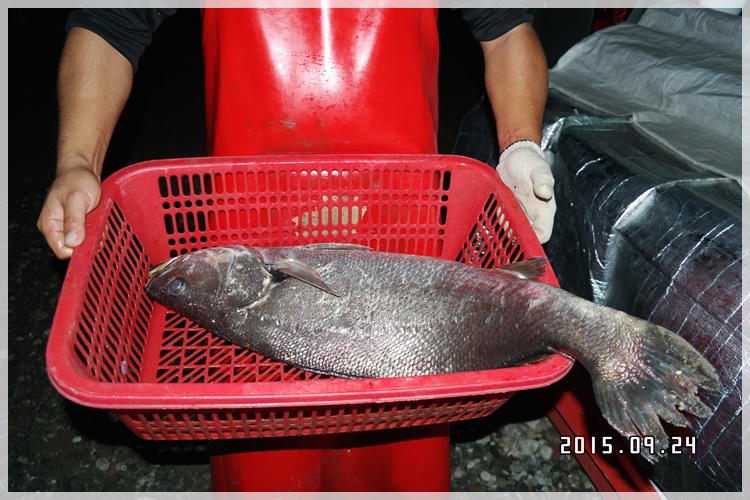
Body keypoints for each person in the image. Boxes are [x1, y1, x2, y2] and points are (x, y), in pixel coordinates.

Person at [37, 7, 556, 260]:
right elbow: (110, 25)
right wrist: (78, 161)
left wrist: (520, 143)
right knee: (255, 399)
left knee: (405, 390)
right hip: (248, 219)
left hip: (404, 217)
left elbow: (505, 28)